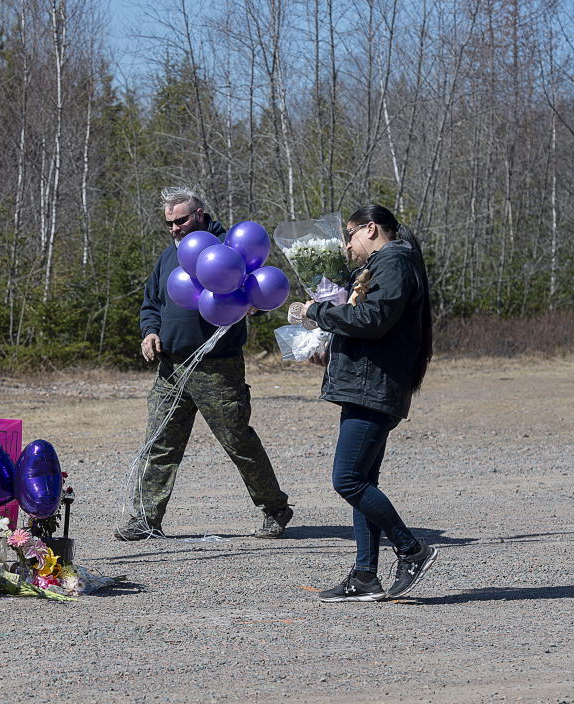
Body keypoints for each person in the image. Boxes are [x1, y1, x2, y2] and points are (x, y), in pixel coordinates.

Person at [114, 186, 293, 541]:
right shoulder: (169, 257)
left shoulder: (229, 249)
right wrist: (149, 332)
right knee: (160, 442)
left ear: (198, 214)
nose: (174, 229)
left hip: (217, 368)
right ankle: (146, 519)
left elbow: (252, 294)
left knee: (237, 441)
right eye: (168, 224)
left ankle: (275, 509)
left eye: (180, 220)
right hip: (171, 367)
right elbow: (151, 302)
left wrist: (251, 304)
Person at [300, 204, 438, 601]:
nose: (347, 246)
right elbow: (378, 328)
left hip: (374, 389)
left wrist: (318, 312)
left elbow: (374, 320)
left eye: (350, 235)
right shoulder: (392, 263)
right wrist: (332, 353)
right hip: (370, 383)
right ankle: (364, 576)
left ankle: (411, 549)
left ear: (371, 229)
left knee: (347, 479)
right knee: (363, 481)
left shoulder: (393, 261)